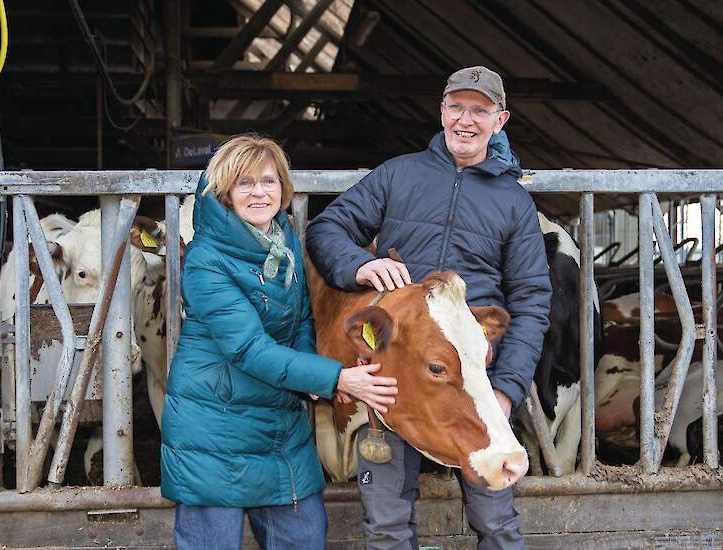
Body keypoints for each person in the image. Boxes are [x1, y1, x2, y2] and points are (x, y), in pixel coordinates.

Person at [306, 66, 553, 549]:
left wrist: (504, 390)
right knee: (386, 527)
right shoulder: (399, 173)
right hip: (394, 381)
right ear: (441, 112)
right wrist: (360, 265)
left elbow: (531, 300)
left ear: (499, 121)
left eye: (479, 110)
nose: (466, 120)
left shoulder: (512, 201)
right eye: (456, 107)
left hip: (469, 385)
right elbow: (326, 228)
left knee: (496, 525)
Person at [160, 134, 399, 549]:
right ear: (224, 192)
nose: (259, 192)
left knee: (305, 537)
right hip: (215, 430)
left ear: (283, 188)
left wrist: (309, 373)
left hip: (281, 428)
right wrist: (336, 379)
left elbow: (301, 319)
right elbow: (249, 349)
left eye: (268, 181)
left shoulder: (284, 239)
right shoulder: (205, 260)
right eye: (245, 183)